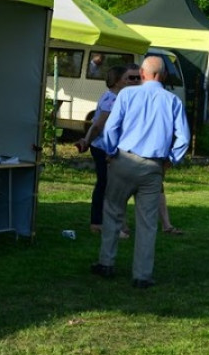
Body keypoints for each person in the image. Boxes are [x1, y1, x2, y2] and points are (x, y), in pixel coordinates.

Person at [92, 55, 190, 289]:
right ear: (163, 75)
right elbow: (184, 138)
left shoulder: (126, 94)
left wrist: (110, 151)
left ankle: (106, 263)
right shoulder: (173, 100)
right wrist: (170, 160)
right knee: (147, 222)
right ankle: (142, 275)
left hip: (123, 160)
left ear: (143, 74)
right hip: (153, 167)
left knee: (113, 211)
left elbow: (112, 127)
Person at [75, 64, 139, 238]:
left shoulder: (116, 97)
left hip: (107, 147)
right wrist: (87, 141)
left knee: (107, 186)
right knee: (109, 187)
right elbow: (98, 126)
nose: (135, 81)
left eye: (137, 77)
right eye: (130, 78)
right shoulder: (113, 99)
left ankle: (103, 223)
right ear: (118, 81)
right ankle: (105, 224)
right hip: (104, 148)